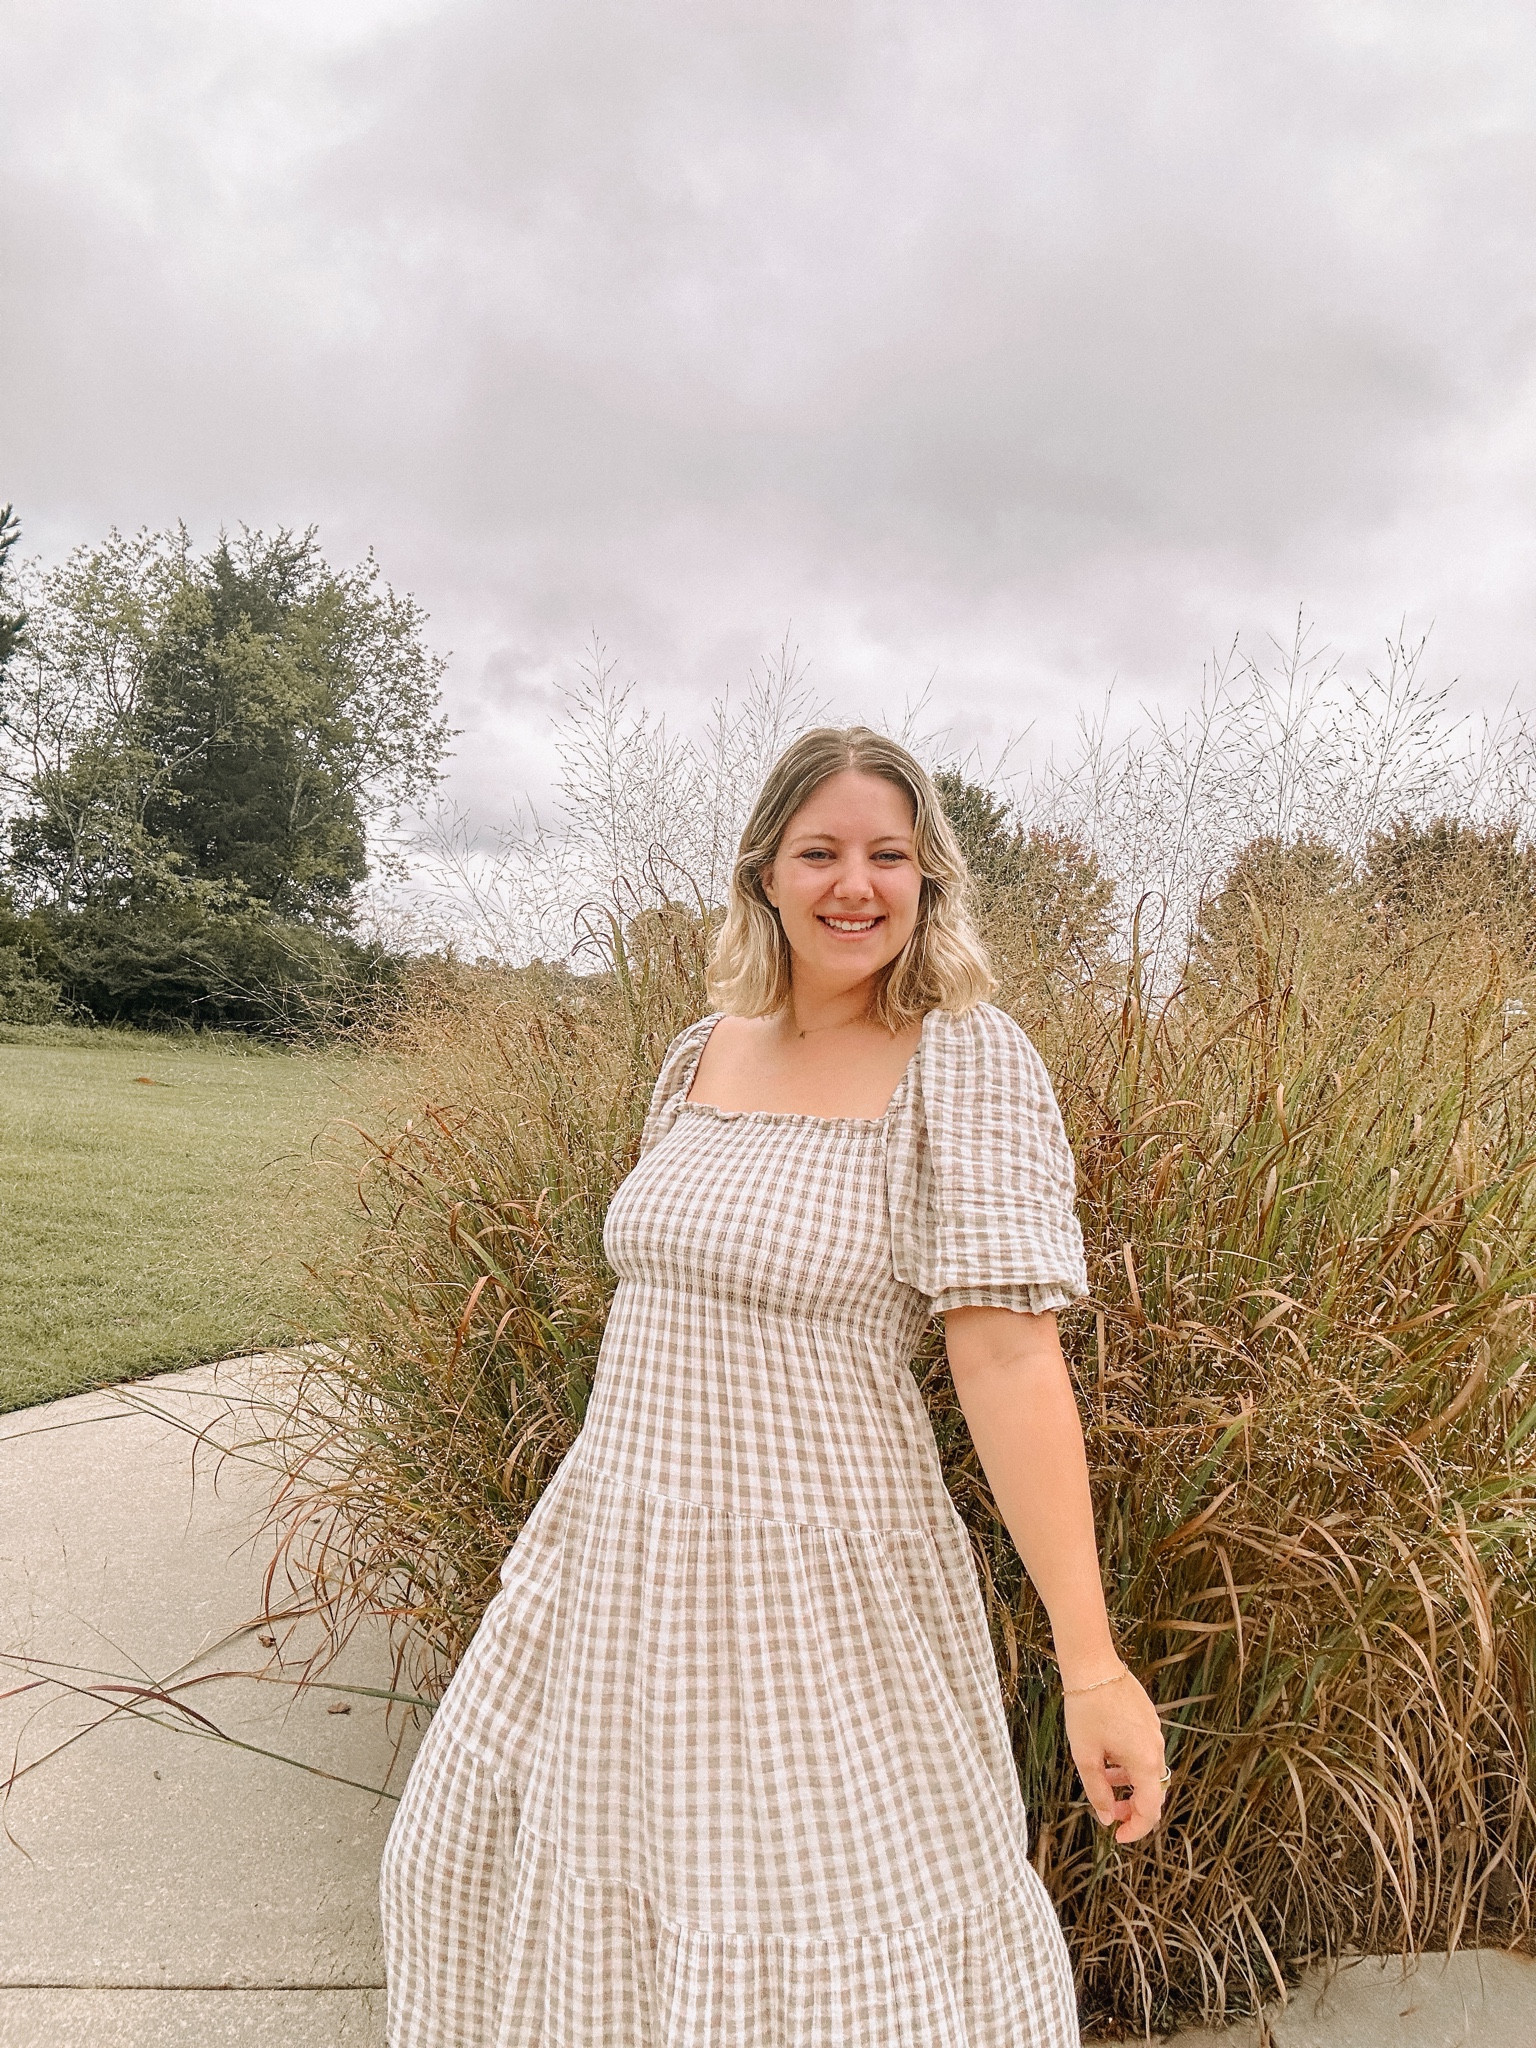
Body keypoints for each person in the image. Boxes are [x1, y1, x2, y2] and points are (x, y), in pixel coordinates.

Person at [380, 725, 1167, 2046]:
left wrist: (1092, 1667)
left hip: (816, 1574)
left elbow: (1008, 1355)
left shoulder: (962, 1062)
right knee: (460, 1856)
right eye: (821, 852)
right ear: (763, 874)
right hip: (616, 1554)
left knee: (811, 1949)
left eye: (889, 856)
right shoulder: (700, 1054)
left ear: (930, 882)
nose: (855, 885)